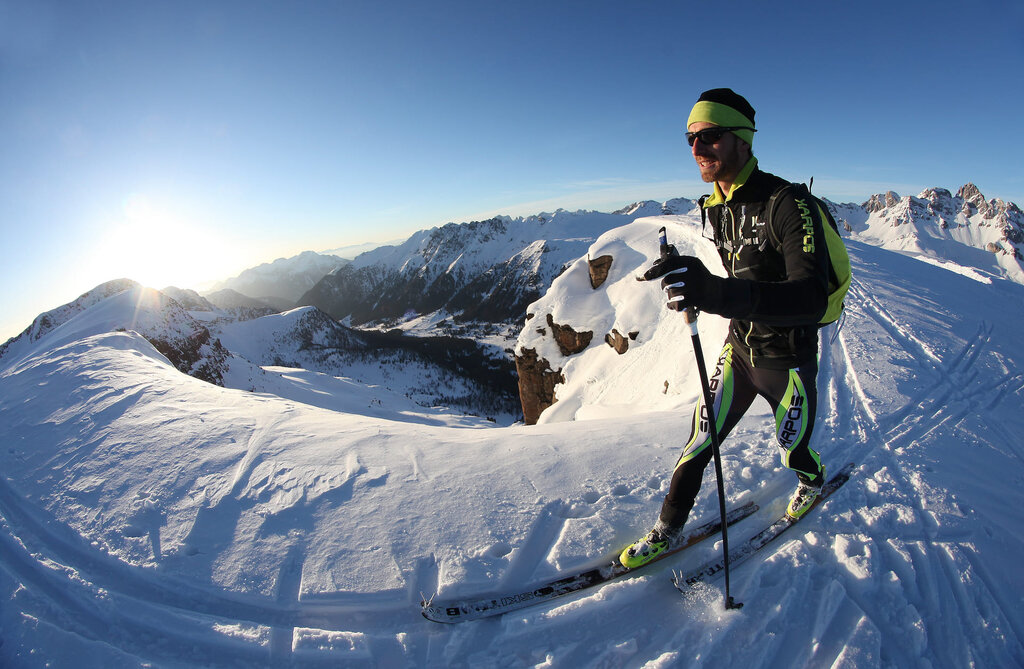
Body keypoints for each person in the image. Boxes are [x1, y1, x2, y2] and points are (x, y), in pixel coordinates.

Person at [620, 88, 831, 569]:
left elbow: (810, 297)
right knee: (699, 441)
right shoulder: (715, 205)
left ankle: (811, 479)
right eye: (691, 138)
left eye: (711, 136)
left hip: (788, 359)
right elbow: (742, 269)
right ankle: (667, 529)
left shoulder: (787, 202)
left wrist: (714, 293)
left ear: (743, 140)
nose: (698, 148)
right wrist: (691, 273)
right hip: (740, 352)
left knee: (793, 448)